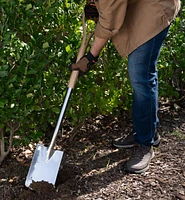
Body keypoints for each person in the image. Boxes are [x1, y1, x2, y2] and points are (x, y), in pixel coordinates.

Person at [70, 0, 181, 174]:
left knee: (140, 74)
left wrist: (91, 57)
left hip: (155, 6)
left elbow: (109, 18)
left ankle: (145, 143)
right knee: (143, 74)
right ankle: (147, 131)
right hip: (140, 5)